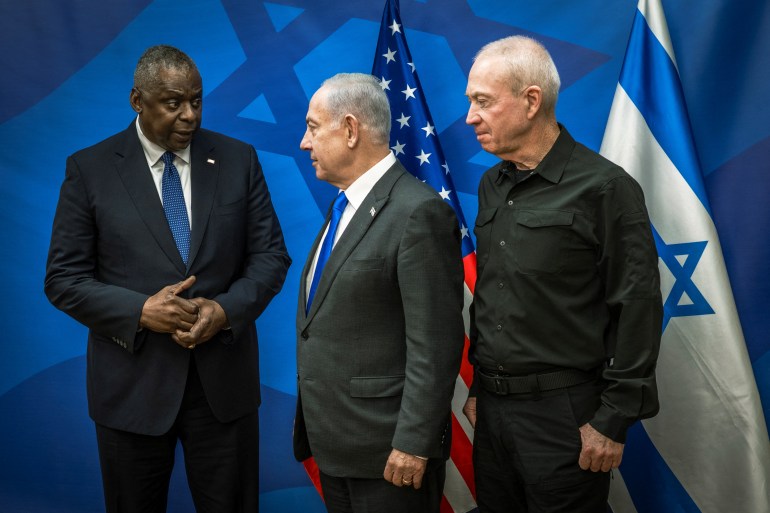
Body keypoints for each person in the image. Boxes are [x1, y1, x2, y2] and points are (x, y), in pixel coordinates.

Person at [44, 45, 290, 513]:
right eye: (173, 103)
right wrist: (139, 311)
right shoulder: (90, 170)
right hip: (131, 391)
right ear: (138, 100)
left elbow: (271, 256)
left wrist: (223, 311)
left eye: (196, 101)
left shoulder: (238, 159)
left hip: (223, 391)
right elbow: (63, 278)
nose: (190, 115)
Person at [462, 36, 663, 512]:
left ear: (531, 101)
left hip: (565, 416)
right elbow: (495, 297)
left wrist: (613, 419)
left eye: (483, 102)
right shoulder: (493, 184)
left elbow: (636, 307)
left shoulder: (605, 188)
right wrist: (477, 390)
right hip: (492, 410)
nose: (470, 116)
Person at [292, 73, 465, 513]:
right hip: (337, 448)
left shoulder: (417, 212)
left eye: (313, 127)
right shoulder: (343, 206)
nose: (304, 143)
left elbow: (436, 343)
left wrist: (414, 443)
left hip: (390, 455)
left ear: (350, 130)